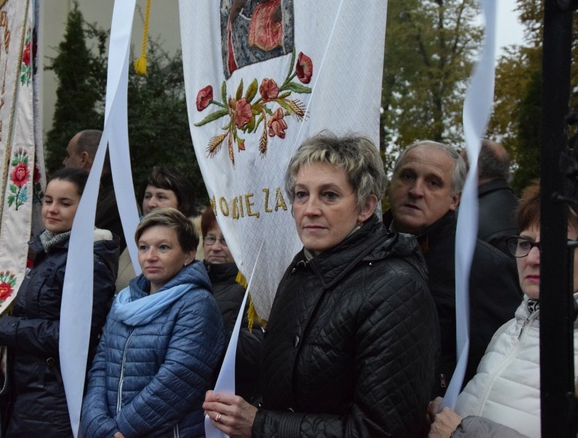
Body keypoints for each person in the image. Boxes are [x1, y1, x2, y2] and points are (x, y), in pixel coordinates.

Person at [204, 132, 439, 437]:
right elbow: (295, 356)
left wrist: (260, 424)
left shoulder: (397, 290)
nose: (310, 209)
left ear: (366, 207)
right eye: (302, 194)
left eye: (329, 195)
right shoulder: (303, 265)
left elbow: (380, 430)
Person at [428, 181, 578, 438]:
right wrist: (447, 413)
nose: (531, 259)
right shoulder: (508, 329)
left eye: (552, 244)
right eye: (525, 243)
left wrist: (461, 432)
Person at [385, 140, 522, 394]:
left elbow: (498, 368)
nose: (416, 190)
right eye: (407, 176)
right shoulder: (362, 249)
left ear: (455, 200)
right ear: (391, 183)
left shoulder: (483, 267)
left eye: (433, 183)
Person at [0, 168, 119, 437]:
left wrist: (4, 328)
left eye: (65, 203)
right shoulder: (49, 250)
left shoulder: (88, 259)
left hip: (54, 389)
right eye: (48, 201)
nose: (52, 209)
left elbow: (74, 335)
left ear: (87, 207)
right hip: (29, 383)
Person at [81, 208, 225, 437]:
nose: (150, 256)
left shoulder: (197, 304)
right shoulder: (124, 301)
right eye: (143, 247)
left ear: (188, 255)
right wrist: (99, 426)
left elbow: (177, 381)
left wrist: (120, 431)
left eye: (163, 247)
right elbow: (100, 368)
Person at [200, 205, 263, 402]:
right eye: (211, 238)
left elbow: (256, 351)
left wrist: (212, 332)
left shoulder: (252, 288)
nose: (216, 247)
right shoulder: (188, 281)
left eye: (225, 240)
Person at [64, 129, 124, 250]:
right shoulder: (110, 197)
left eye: (68, 155)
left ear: (83, 159)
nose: (64, 162)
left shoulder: (113, 205)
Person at [462, 140, 519, 257]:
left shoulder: (464, 220)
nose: (456, 178)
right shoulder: (526, 211)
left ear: (474, 171)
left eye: (460, 170)